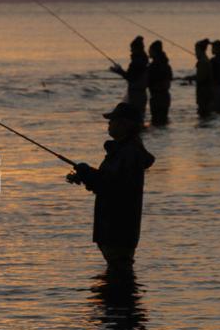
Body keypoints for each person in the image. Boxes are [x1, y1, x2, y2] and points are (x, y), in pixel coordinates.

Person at [66, 102, 155, 270]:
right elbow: (110, 181)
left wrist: (86, 172)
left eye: (112, 120)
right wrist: (85, 175)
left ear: (124, 124)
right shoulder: (125, 151)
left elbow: (110, 185)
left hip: (117, 228)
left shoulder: (127, 153)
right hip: (118, 228)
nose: (109, 124)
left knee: (119, 278)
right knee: (119, 276)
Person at [110, 36, 148, 122]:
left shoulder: (137, 61)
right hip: (140, 93)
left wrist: (119, 71)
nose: (131, 51)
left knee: (134, 117)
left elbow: (130, 77)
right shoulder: (143, 59)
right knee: (138, 116)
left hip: (136, 94)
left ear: (137, 49)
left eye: (132, 49)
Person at [146, 40, 172, 126]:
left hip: (157, 97)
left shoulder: (153, 66)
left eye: (150, 49)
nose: (148, 51)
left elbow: (148, 80)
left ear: (154, 51)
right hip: (165, 96)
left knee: (156, 122)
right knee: (163, 121)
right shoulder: (166, 64)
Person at [192, 38, 214, 118]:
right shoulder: (204, 60)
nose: (195, 52)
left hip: (204, 95)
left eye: (196, 50)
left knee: (204, 116)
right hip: (206, 94)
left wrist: (190, 79)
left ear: (200, 50)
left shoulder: (203, 62)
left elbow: (201, 78)